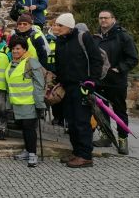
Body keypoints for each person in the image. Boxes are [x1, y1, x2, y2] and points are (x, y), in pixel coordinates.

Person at [53, 13, 103, 168]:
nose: (56, 28)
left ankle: (85, 156)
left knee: (81, 121)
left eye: (59, 25)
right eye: (56, 25)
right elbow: (60, 63)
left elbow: (96, 59)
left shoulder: (83, 37)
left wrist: (91, 81)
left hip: (82, 86)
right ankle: (76, 152)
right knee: (71, 122)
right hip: (67, 86)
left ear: (68, 26)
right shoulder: (60, 40)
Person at [93, 10, 139, 155]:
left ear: (113, 19)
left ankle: (123, 139)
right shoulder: (96, 37)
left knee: (119, 111)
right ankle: (106, 136)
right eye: (101, 18)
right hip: (100, 81)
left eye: (106, 18)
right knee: (100, 110)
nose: (103, 20)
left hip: (116, 81)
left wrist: (119, 69)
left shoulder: (123, 36)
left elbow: (133, 58)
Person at [6, 36, 46, 168]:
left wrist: (40, 103)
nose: (15, 51)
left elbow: (39, 84)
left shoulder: (31, 62)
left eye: (18, 48)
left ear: (24, 49)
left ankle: (33, 154)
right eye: (13, 49)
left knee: (29, 128)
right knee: (24, 128)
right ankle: (28, 151)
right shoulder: (12, 62)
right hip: (17, 102)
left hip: (29, 102)